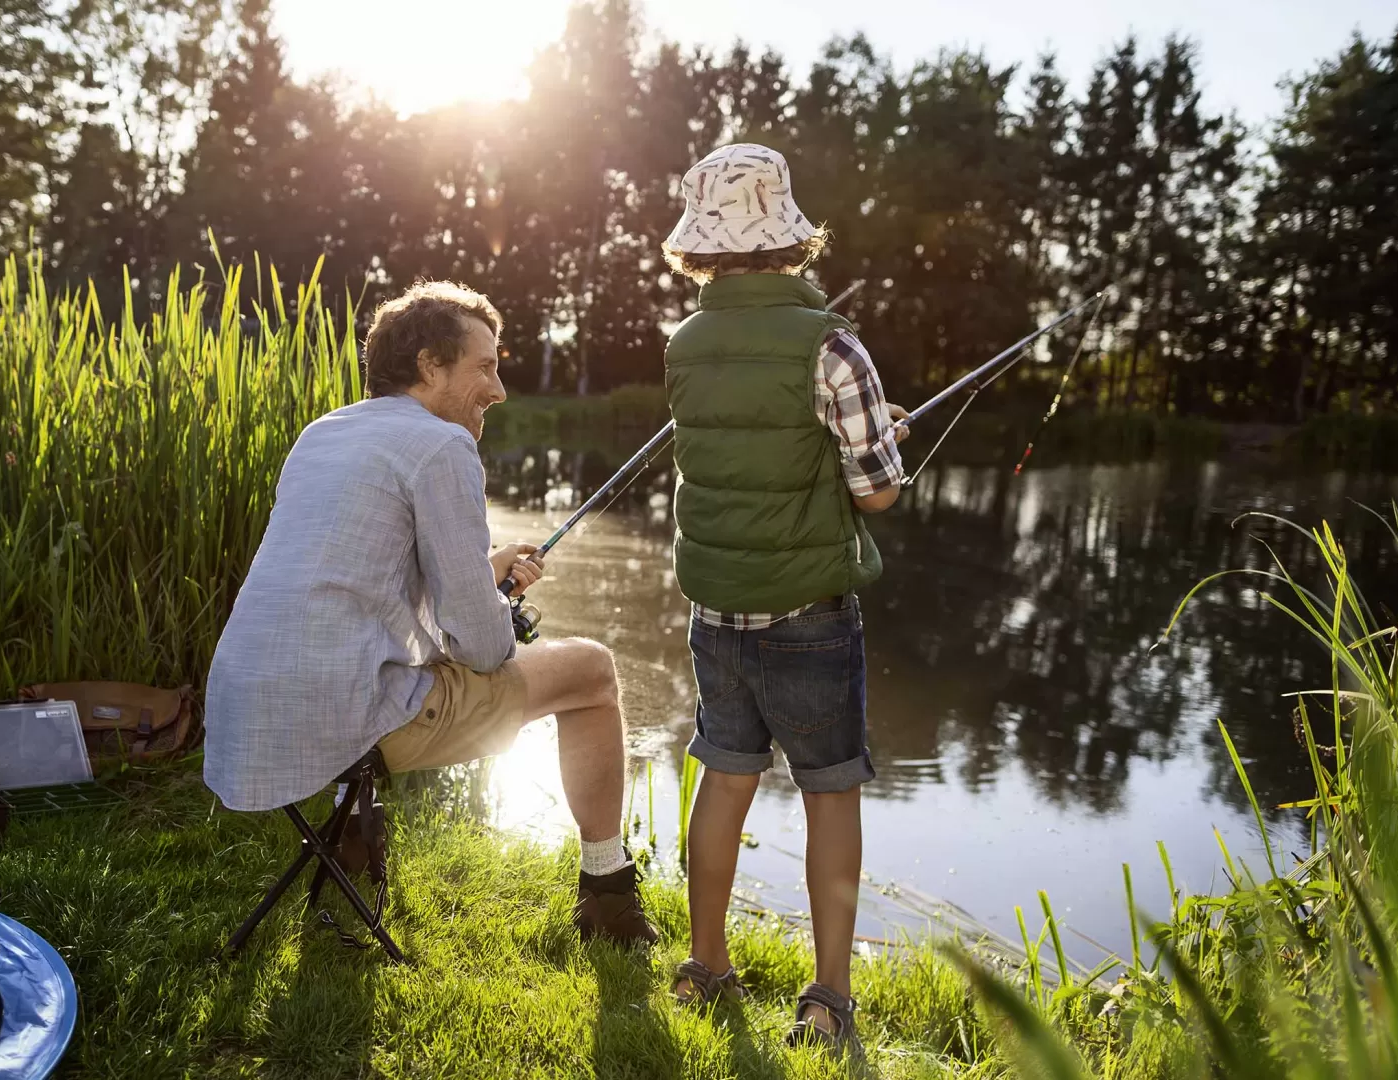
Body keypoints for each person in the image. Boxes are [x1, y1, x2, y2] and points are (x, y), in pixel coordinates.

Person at [203, 280, 659, 946]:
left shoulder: (325, 433)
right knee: (591, 672)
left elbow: (362, 577)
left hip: (251, 704)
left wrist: (487, 567)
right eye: (486, 366)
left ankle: (354, 843)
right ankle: (608, 892)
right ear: (429, 366)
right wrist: (494, 605)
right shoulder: (444, 447)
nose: (499, 389)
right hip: (347, 714)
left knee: (386, 660)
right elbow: (481, 648)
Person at [658, 142, 909, 1063]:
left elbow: (739, 458)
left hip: (715, 610)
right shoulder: (833, 343)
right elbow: (875, 489)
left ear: (706, 248)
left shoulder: (684, 344)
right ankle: (829, 998)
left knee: (724, 777)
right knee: (829, 792)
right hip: (808, 612)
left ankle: (705, 966)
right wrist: (880, 443)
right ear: (788, 239)